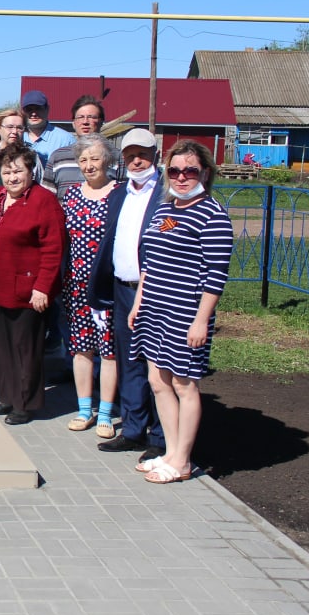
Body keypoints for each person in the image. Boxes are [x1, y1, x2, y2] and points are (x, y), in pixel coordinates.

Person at [130, 141, 234, 483]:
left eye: (190, 170)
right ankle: (170, 451)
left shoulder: (213, 214)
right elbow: (149, 262)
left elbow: (215, 275)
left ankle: (183, 460)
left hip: (185, 312)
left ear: (204, 172)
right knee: (158, 381)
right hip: (154, 308)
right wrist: (138, 302)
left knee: (184, 383)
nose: (182, 177)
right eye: (174, 171)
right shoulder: (165, 209)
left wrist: (202, 319)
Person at [0, 143, 65, 425]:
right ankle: (8, 396)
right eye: (7, 172)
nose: (12, 177)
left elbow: (53, 247)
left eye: (18, 171)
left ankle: (25, 403)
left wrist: (43, 287)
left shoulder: (43, 200)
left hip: (27, 288)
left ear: (30, 171)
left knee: (25, 346)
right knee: (3, 344)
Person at [90, 128, 167, 464]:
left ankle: (163, 436)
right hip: (123, 288)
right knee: (129, 359)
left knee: (160, 364)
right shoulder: (121, 194)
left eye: (144, 154)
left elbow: (167, 234)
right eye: (131, 154)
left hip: (157, 291)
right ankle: (134, 428)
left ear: (156, 156)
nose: (137, 160)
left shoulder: (167, 192)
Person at [61, 133, 119, 437]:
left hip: (107, 286)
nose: (88, 165)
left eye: (94, 158)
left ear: (107, 159)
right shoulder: (72, 194)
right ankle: (85, 410)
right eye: (83, 160)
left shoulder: (119, 194)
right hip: (76, 284)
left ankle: (106, 413)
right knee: (81, 349)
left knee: (109, 350)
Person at [44, 95, 109, 197]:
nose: (85, 122)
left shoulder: (116, 156)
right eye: (80, 117)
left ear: (101, 122)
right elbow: (46, 198)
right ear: (73, 123)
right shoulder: (58, 157)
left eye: (91, 117)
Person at [20, 89, 74, 166]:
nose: (34, 113)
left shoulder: (65, 140)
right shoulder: (17, 137)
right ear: (22, 112)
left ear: (47, 109)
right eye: (29, 109)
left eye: (38, 108)